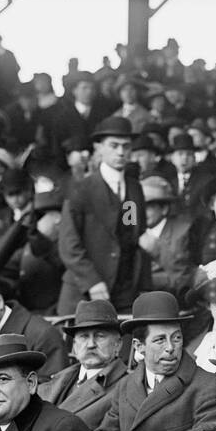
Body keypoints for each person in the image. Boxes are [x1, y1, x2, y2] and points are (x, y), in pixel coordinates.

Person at [94, 291, 216, 431]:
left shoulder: (209, 386)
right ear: (139, 346)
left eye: (176, 338)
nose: (170, 347)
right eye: (160, 340)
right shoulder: (125, 386)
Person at [57, 115, 148, 314]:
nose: (121, 152)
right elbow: (68, 244)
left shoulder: (133, 189)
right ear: (99, 148)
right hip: (84, 292)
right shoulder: (81, 189)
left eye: (126, 146)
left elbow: (129, 231)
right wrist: (92, 281)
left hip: (124, 291)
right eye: (114, 146)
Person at [37, 300, 127, 427]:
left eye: (100, 336)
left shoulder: (126, 386)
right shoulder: (59, 379)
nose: (91, 344)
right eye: (84, 337)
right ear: (74, 346)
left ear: (118, 344)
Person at [138, 175, 196, 301]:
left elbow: (181, 279)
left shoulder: (184, 231)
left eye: (148, 207)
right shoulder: (134, 233)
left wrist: (157, 249)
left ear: (164, 209)